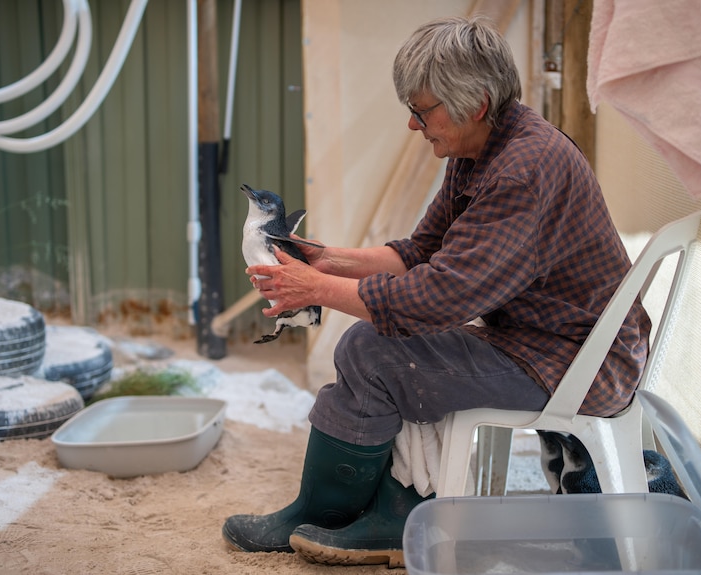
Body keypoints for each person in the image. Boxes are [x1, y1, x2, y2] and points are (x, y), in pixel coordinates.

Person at [222, 15, 651, 568]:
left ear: (475, 104)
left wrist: (317, 288)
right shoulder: (484, 146)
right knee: (373, 347)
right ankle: (345, 512)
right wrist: (329, 261)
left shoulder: (522, 171)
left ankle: (381, 520)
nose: (412, 123)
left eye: (422, 110)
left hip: (577, 361)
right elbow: (423, 251)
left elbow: (439, 298)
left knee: (374, 352)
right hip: (544, 338)